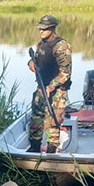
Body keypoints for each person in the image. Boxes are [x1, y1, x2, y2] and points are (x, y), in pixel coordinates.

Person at [27, 14, 73, 153]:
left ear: (52, 29)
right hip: (41, 87)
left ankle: (51, 151)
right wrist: (31, 63)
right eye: (39, 28)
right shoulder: (41, 44)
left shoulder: (61, 46)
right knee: (36, 118)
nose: (40, 31)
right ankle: (34, 148)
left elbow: (65, 73)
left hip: (57, 91)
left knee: (53, 122)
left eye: (44, 29)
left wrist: (51, 87)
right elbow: (36, 60)